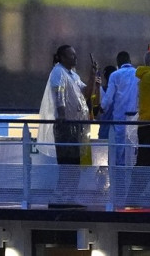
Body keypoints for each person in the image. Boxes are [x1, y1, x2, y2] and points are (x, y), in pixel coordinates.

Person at [38, 44, 94, 206]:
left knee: (75, 163)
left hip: (77, 126)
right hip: (67, 126)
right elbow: (59, 94)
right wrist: (62, 116)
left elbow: (86, 93)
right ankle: (60, 197)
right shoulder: (58, 72)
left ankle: (69, 197)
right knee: (68, 163)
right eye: (71, 55)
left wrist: (92, 76)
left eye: (75, 55)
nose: (75, 58)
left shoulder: (73, 75)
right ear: (62, 57)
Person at [102, 51, 140, 167]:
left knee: (119, 149)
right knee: (134, 147)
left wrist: (102, 108)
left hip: (119, 117)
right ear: (130, 61)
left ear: (117, 63)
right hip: (135, 117)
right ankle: (132, 174)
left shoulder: (115, 75)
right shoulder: (138, 74)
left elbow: (108, 98)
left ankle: (119, 178)